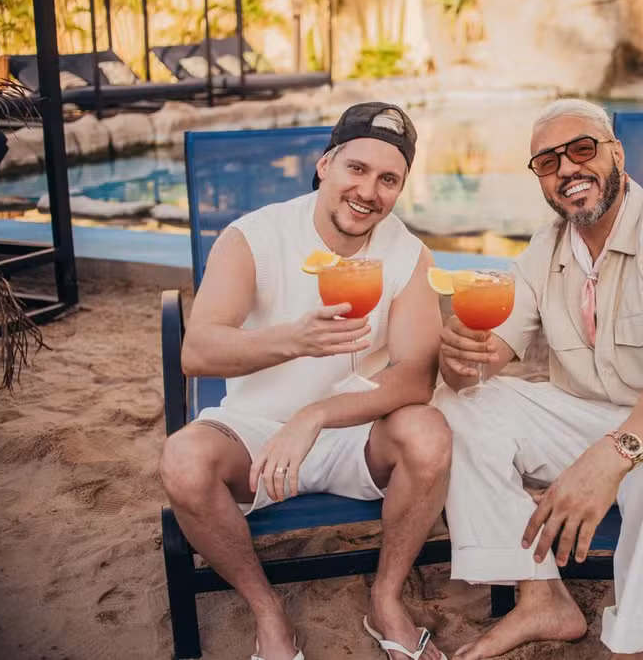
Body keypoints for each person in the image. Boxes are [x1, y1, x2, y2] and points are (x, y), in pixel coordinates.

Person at [433, 98, 643, 659]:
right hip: (596, 421)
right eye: (548, 162)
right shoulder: (543, 250)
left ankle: (626, 643)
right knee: (455, 405)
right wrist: (459, 355)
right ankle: (541, 595)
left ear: (617, 154)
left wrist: (612, 456)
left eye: (582, 149)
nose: (567, 168)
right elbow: (483, 364)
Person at [160, 102, 450, 660]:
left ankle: (385, 598)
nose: (368, 191)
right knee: (182, 460)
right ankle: (268, 611)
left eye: (388, 179)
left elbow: (416, 377)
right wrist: (294, 340)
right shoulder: (253, 238)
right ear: (324, 165)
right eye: (356, 169)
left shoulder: (409, 255)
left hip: (356, 432)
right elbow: (197, 351)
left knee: (430, 432)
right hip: (254, 434)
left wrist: (314, 416)